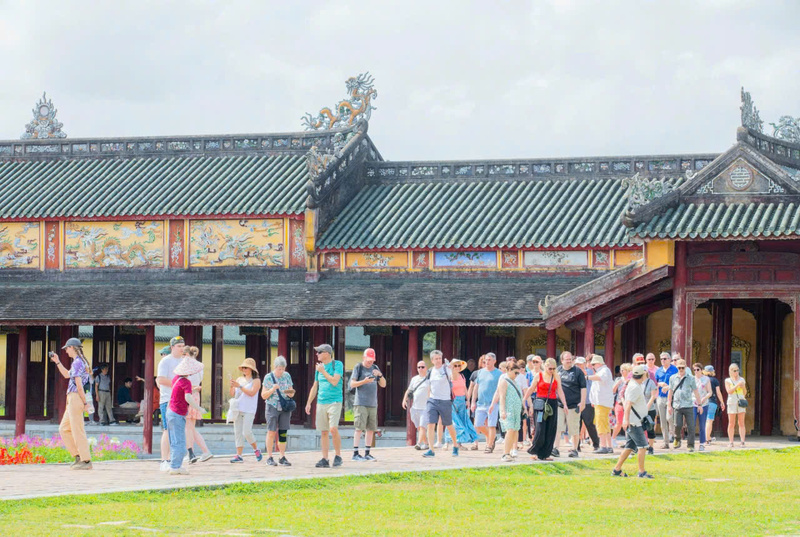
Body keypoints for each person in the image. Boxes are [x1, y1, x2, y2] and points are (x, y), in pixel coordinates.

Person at [49, 338, 92, 470]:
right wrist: (57, 362)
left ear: (72, 347)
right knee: (64, 429)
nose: (66, 351)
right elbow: (67, 375)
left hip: (76, 398)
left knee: (77, 430)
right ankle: (78, 456)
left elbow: (79, 385)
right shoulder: (79, 362)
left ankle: (86, 460)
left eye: (67, 348)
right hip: (73, 398)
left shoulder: (78, 362)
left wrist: (85, 403)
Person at [304, 343, 344, 468]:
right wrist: (309, 402)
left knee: (333, 428)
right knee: (324, 432)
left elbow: (334, 381)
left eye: (319, 352)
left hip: (335, 401)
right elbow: (315, 386)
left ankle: (338, 456)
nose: (317, 354)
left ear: (327, 353)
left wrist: (323, 371)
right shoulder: (319, 368)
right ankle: (325, 459)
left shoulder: (337, 364)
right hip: (321, 402)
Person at [612, 365, 653, 478]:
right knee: (643, 446)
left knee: (629, 447)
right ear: (643, 375)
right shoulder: (634, 387)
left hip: (634, 421)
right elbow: (628, 404)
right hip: (634, 422)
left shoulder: (634, 385)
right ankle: (641, 472)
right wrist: (626, 420)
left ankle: (616, 470)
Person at [166, 359, 207, 475]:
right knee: (180, 442)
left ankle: (174, 464)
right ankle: (175, 466)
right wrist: (199, 408)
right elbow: (187, 397)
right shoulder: (186, 382)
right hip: (178, 414)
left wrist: (192, 390)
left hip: (171, 412)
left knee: (174, 441)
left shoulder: (176, 379)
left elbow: (179, 392)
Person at [525, 358, 569, 461]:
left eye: (554, 368)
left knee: (550, 429)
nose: (552, 370)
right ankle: (535, 451)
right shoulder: (539, 375)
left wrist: (565, 404)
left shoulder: (556, 376)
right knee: (540, 428)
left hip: (552, 404)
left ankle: (545, 454)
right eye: (550, 368)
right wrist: (525, 399)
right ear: (545, 367)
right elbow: (531, 388)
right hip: (541, 404)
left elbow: (560, 391)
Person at [350, 348, 386, 461]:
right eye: (369, 359)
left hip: (372, 403)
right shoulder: (358, 367)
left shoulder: (375, 368)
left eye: (372, 360)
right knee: (359, 428)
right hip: (360, 402)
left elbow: (383, 384)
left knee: (371, 429)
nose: (370, 362)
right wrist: (364, 381)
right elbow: (352, 384)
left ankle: (367, 453)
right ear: (364, 357)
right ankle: (355, 453)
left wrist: (380, 375)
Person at [421, 350, 459, 458]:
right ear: (432, 360)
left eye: (439, 358)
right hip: (432, 401)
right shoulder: (430, 371)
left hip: (445, 401)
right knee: (430, 424)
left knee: (448, 424)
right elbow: (429, 386)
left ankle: (455, 445)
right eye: (436, 359)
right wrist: (428, 399)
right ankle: (431, 449)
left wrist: (453, 369)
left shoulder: (446, 369)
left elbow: (454, 378)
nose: (438, 360)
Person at [157, 336, 185, 472]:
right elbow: (161, 380)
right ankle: (164, 460)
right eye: (179, 346)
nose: (181, 349)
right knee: (167, 429)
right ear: (172, 347)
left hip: (181, 400)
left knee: (178, 431)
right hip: (168, 399)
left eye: (183, 346)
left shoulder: (184, 361)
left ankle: (175, 461)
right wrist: (178, 384)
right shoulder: (165, 361)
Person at [261, 355, 295, 467]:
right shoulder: (268, 377)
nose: (281, 371)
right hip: (272, 406)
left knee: (283, 432)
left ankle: (282, 456)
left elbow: (291, 392)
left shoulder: (287, 376)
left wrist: (289, 392)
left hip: (284, 406)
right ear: (275, 367)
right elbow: (263, 395)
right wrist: (272, 389)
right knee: (271, 432)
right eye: (279, 369)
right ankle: (269, 457)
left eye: (283, 369)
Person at [229, 357, 263, 463]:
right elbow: (232, 394)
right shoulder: (239, 379)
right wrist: (232, 386)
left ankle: (256, 449)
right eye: (243, 368)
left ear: (251, 369)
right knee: (238, 432)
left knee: (247, 432)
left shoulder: (256, 381)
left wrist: (240, 386)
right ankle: (239, 455)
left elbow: (252, 393)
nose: (244, 369)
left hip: (249, 409)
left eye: (246, 368)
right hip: (238, 408)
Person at [183, 346, 213, 463]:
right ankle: (202, 451)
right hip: (195, 395)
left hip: (189, 394)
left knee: (188, 427)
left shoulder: (188, 366)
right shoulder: (200, 366)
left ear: (186, 355)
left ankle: (192, 452)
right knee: (190, 427)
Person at [667, 359, 704, 452]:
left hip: (688, 405)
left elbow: (696, 391)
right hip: (677, 405)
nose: (681, 369)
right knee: (677, 425)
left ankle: (690, 445)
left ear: (685, 367)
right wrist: (669, 405)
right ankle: (677, 439)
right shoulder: (672, 378)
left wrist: (699, 404)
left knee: (691, 426)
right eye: (679, 368)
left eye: (682, 368)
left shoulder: (690, 378)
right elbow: (670, 392)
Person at [555, 352, 586, 458]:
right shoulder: (558, 370)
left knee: (574, 428)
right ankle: (556, 448)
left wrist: (582, 402)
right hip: (559, 404)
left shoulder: (578, 371)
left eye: (570, 359)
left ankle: (574, 449)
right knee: (558, 427)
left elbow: (583, 387)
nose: (569, 361)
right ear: (562, 360)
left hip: (574, 405)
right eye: (566, 359)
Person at [471, 352, 502, 453]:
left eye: (489, 360)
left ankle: (489, 445)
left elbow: (500, 389)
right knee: (478, 424)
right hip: (481, 403)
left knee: (491, 425)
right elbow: (476, 387)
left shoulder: (499, 374)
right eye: (486, 360)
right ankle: (491, 437)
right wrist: (473, 402)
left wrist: (496, 402)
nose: (487, 362)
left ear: (494, 361)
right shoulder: (480, 372)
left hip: (493, 403)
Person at [587, 354, 614, 453]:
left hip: (602, 402)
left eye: (593, 364)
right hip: (600, 402)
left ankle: (603, 446)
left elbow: (599, 378)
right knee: (605, 424)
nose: (593, 366)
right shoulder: (602, 371)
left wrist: (587, 377)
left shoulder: (604, 370)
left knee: (601, 424)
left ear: (598, 363)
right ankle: (609, 446)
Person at [498, 361, 524, 461]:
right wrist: (502, 410)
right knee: (510, 430)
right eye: (515, 372)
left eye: (518, 373)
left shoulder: (515, 382)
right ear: (508, 370)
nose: (516, 375)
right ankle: (505, 453)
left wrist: (524, 408)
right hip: (508, 409)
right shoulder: (504, 381)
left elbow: (520, 396)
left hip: (516, 409)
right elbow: (502, 397)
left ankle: (511, 451)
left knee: (515, 430)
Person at [450, 359, 479, 447]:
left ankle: (459, 442)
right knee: (455, 421)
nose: (457, 367)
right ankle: (451, 442)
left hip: (462, 400)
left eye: (459, 366)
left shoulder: (462, 375)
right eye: (455, 366)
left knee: (463, 420)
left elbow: (465, 388)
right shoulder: (450, 376)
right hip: (453, 401)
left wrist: (468, 400)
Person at [402, 360, 430, 450]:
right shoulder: (414, 379)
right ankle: (426, 443)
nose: (420, 369)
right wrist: (404, 400)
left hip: (425, 407)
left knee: (422, 426)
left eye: (422, 367)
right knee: (419, 427)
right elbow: (409, 390)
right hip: (415, 407)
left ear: (426, 368)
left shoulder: (429, 380)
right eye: (419, 367)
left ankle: (418, 443)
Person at [575, 356, 600, 451]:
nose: (579, 366)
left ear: (584, 364)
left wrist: (586, 375)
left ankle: (596, 444)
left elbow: (593, 385)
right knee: (576, 425)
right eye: (577, 364)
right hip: (576, 402)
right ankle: (576, 446)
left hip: (588, 402)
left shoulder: (590, 372)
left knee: (589, 424)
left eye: (580, 364)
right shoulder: (573, 373)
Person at [655, 352, 678, 449]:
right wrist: (660, 384)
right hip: (660, 397)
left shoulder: (675, 369)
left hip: (671, 397)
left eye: (665, 359)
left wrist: (668, 387)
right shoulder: (658, 371)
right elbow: (655, 383)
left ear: (669, 359)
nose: (663, 361)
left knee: (670, 418)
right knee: (663, 421)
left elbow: (678, 383)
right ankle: (666, 442)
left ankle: (674, 435)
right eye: (661, 359)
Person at [725, 364, 747, 447]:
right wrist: (737, 385)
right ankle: (731, 442)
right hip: (732, 402)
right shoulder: (728, 380)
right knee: (731, 423)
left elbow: (744, 393)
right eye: (734, 370)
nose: (736, 372)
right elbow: (729, 391)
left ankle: (742, 441)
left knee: (741, 422)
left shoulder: (742, 379)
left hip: (740, 401)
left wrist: (743, 387)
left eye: (738, 370)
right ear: (731, 371)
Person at [704, 365, 726, 445]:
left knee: (704, 421)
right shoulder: (715, 380)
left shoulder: (702, 380)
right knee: (709, 421)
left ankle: (707, 438)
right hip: (712, 402)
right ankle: (707, 439)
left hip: (702, 402)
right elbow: (718, 392)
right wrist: (722, 402)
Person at [692, 362, 712, 451]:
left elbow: (710, 392)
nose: (696, 371)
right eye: (694, 370)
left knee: (702, 424)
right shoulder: (692, 379)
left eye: (698, 369)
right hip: (693, 403)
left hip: (704, 404)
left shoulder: (706, 379)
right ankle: (691, 443)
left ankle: (702, 443)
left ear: (701, 370)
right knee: (691, 424)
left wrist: (704, 398)